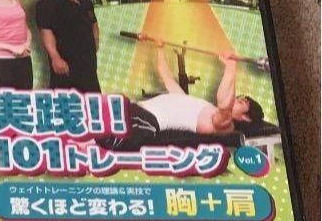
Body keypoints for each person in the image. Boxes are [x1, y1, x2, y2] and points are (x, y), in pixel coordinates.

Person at [106, 38, 265, 148]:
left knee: (107, 130)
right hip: (134, 109)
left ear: (246, 118)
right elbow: (166, 76)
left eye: (241, 102)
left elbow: (224, 104)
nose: (236, 98)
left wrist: (231, 67)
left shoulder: (224, 124)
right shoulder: (194, 103)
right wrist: (159, 47)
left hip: (146, 122)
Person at [35, 0, 101, 93]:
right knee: (67, 99)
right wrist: (55, 58)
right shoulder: (49, 3)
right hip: (65, 62)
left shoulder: (86, 3)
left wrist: (95, 43)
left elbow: (93, 24)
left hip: (88, 62)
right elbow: (45, 31)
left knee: (92, 97)